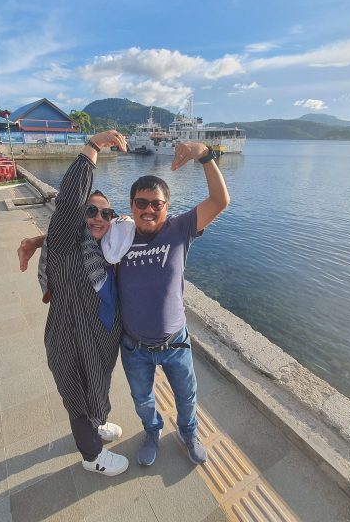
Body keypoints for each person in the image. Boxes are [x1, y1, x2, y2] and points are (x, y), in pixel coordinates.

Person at [16, 130, 130, 476]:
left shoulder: (106, 249)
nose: (98, 217)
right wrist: (93, 147)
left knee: (98, 384)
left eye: (106, 213)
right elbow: (67, 205)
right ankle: (92, 456)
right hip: (71, 338)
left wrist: (38, 239)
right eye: (90, 210)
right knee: (79, 395)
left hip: (98, 342)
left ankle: (98, 422)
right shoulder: (67, 244)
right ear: (79, 215)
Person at [118, 142, 230, 466]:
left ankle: (188, 432)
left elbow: (220, 201)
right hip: (134, 346)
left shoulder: (180, 230)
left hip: (175, 343)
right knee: (142, 399)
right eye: (141, 203)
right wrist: (40, 241)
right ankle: (152, 432)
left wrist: (205, 155)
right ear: (131, 205)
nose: (148, 210)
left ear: (167, 207)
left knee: (186, 395)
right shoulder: (118, 236)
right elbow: (84, 231)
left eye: (156, 204)